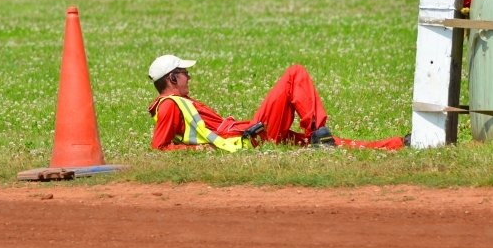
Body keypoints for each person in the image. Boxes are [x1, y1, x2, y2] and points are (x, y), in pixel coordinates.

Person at [147, 54, 410, 152]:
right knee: (293, 74)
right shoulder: (170, 104)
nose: (189, 76)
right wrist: (196, 151)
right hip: (250, 138)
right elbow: (159, 146)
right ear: (172, 77)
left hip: (249, 134)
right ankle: (317, 130)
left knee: (325, 145)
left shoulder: (178, 102)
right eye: (184, 73)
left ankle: (397, 144)